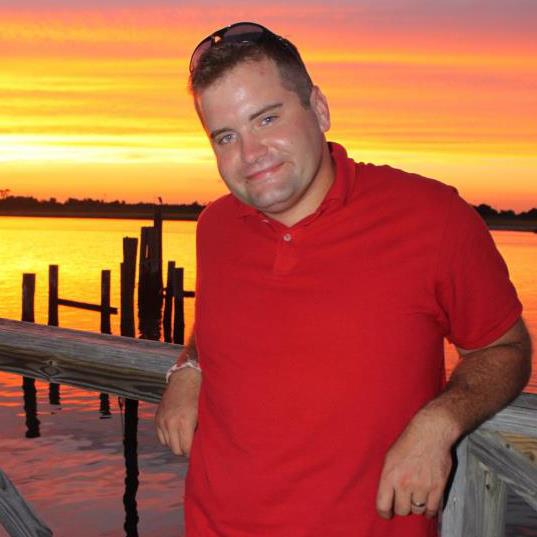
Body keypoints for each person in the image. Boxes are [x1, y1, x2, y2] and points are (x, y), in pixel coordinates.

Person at [155, 21, 532, 537]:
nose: (250, 153)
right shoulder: (216, 227)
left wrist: (439, 423)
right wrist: (189, 366)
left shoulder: (431, 217)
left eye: (267, 118)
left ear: (319, 108)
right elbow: (220, 322)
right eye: (226, 136)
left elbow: (505, 349)